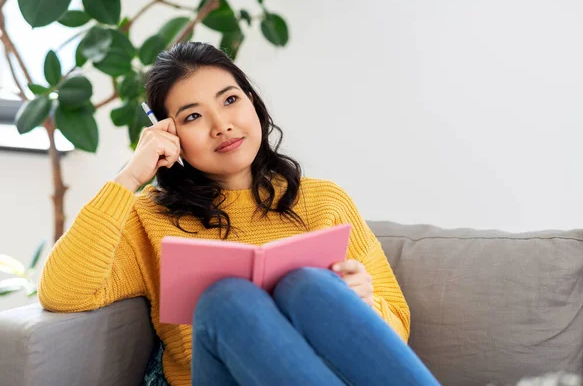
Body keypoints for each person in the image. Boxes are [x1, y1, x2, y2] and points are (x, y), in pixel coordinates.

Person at [38, 42, 440, 386]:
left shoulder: (325, 201)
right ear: (168, 134)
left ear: (252, 102)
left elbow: (396, 331)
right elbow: (61, 292)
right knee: (225, 299)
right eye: (193, 116)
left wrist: (364, 301)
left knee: (307, 284)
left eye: (230, 100)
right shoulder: (149, 218)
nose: (222, 126)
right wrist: (131, 176)